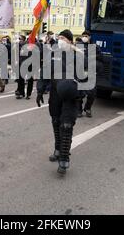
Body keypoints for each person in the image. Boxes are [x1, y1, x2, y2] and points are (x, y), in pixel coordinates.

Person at [36, 29, 80, 175]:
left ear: (70, 41)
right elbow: (44, 73)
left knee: (66, 125)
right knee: (55, 121)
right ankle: (58, 149)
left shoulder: (78, 54)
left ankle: (64, 158)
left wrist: (80, 92)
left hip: (70, 95)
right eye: (59, 37)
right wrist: (40, 90)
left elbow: (88, 75)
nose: (60, 40)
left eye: (63, 38)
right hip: (55, 92)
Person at [75, 30, 103, 118]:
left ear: (90, 37)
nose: (84, 37)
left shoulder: (95, 46)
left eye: (86, 36)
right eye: (83, 36)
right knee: (79, 93)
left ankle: (87, 108)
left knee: (92, 93)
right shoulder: (78, 46)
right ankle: (79, 110)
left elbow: (101, 58)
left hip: (91, 72)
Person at [16, 35, 35, 100]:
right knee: (21, 79)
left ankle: (28, 94)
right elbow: (19, 54)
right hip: (22, 64)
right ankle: (21, 93)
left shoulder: (35, 45)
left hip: (30, 64)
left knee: (30, 80)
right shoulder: (22, 44)